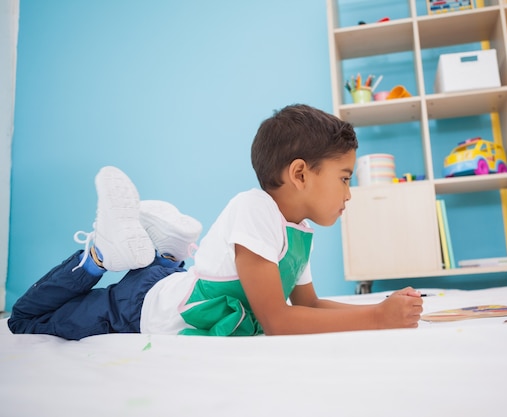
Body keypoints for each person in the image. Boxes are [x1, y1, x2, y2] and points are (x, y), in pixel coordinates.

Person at [9, 104, 423, 340]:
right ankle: (99, 256)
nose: (349, 193)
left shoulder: (299, 231)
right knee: (24, 319)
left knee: (161, 276)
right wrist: (375, 320)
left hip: (170, 283)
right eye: (345, 179)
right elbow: (279, 321)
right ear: (300, 174)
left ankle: (164, 249)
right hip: (139, 309)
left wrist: (381, 309)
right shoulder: (256, 208)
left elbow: (308, 307)